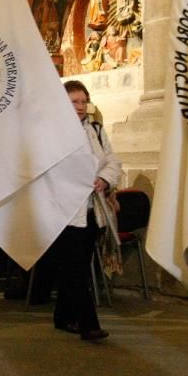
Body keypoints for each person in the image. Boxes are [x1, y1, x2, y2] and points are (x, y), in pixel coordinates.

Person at [52, 80, 121, 342]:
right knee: (77, 269)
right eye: (74, 102)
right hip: (67, 210)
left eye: (83, 101)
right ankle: (88, 324)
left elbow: (113, 160)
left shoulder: (96, 129)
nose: (80, 107)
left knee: (77, 265)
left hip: (94, 208)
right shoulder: (54, 132)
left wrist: (104, 179)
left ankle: (62, 315)